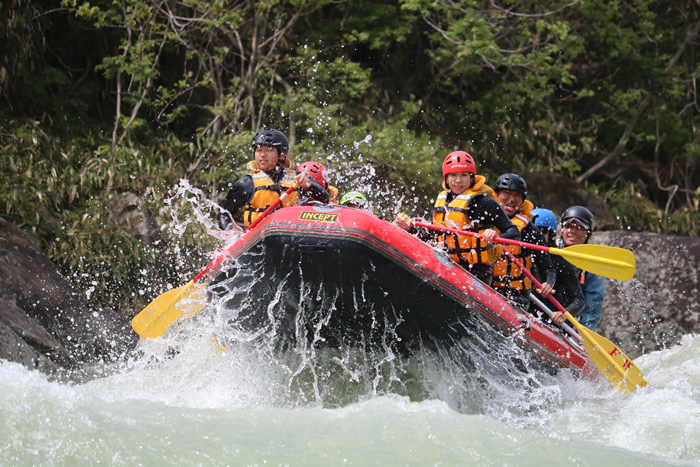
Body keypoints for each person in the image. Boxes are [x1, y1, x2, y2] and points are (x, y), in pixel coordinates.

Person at [394, 151, 520, 285]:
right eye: (453, 175)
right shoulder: (443, 200)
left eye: (464, 175)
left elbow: (514, 232)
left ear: (472, 178)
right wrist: (411, 228)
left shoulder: (484, 203)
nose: (458, 180)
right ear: (446, 178)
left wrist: (496, 236)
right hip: (448, 263)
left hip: (476, 272)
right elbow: (433, 235)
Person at [217, 128, 329, 230]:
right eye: (259, 150)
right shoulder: (246, 184)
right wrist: (231, 235)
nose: (262, 155)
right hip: (259, 240)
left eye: (268, 150)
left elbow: (324, 200)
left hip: (291, 235)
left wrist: (310, 184)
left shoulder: (299, 179)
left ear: (282, 155)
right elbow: (224, 215)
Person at [491, 174, 556, 309]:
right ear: (496, 194)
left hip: (515, 295)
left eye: (517, 195)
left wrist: (548, 284)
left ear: (522, 201)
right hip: (484, 284)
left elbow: (547, 268)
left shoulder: (530, 231)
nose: (512, 199)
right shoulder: (483, 217)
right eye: (507, 193)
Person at [530, 208, 585, 326]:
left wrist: (564, 314)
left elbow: (579, 300)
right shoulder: (522, 253)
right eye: (531, 231)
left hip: (549, 320)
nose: (535, 236)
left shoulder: (559, 260)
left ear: (550, 235)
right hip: (525, 310)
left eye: (541, 232)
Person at [557, 205, 604, 330]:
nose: (572, 231)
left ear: (589, 235)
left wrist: (582, 337)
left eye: (579, 228)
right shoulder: (551, 252)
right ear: (561, 230)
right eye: (568, 226)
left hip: (566, 324)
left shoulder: (591, 268)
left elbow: (591, 309)